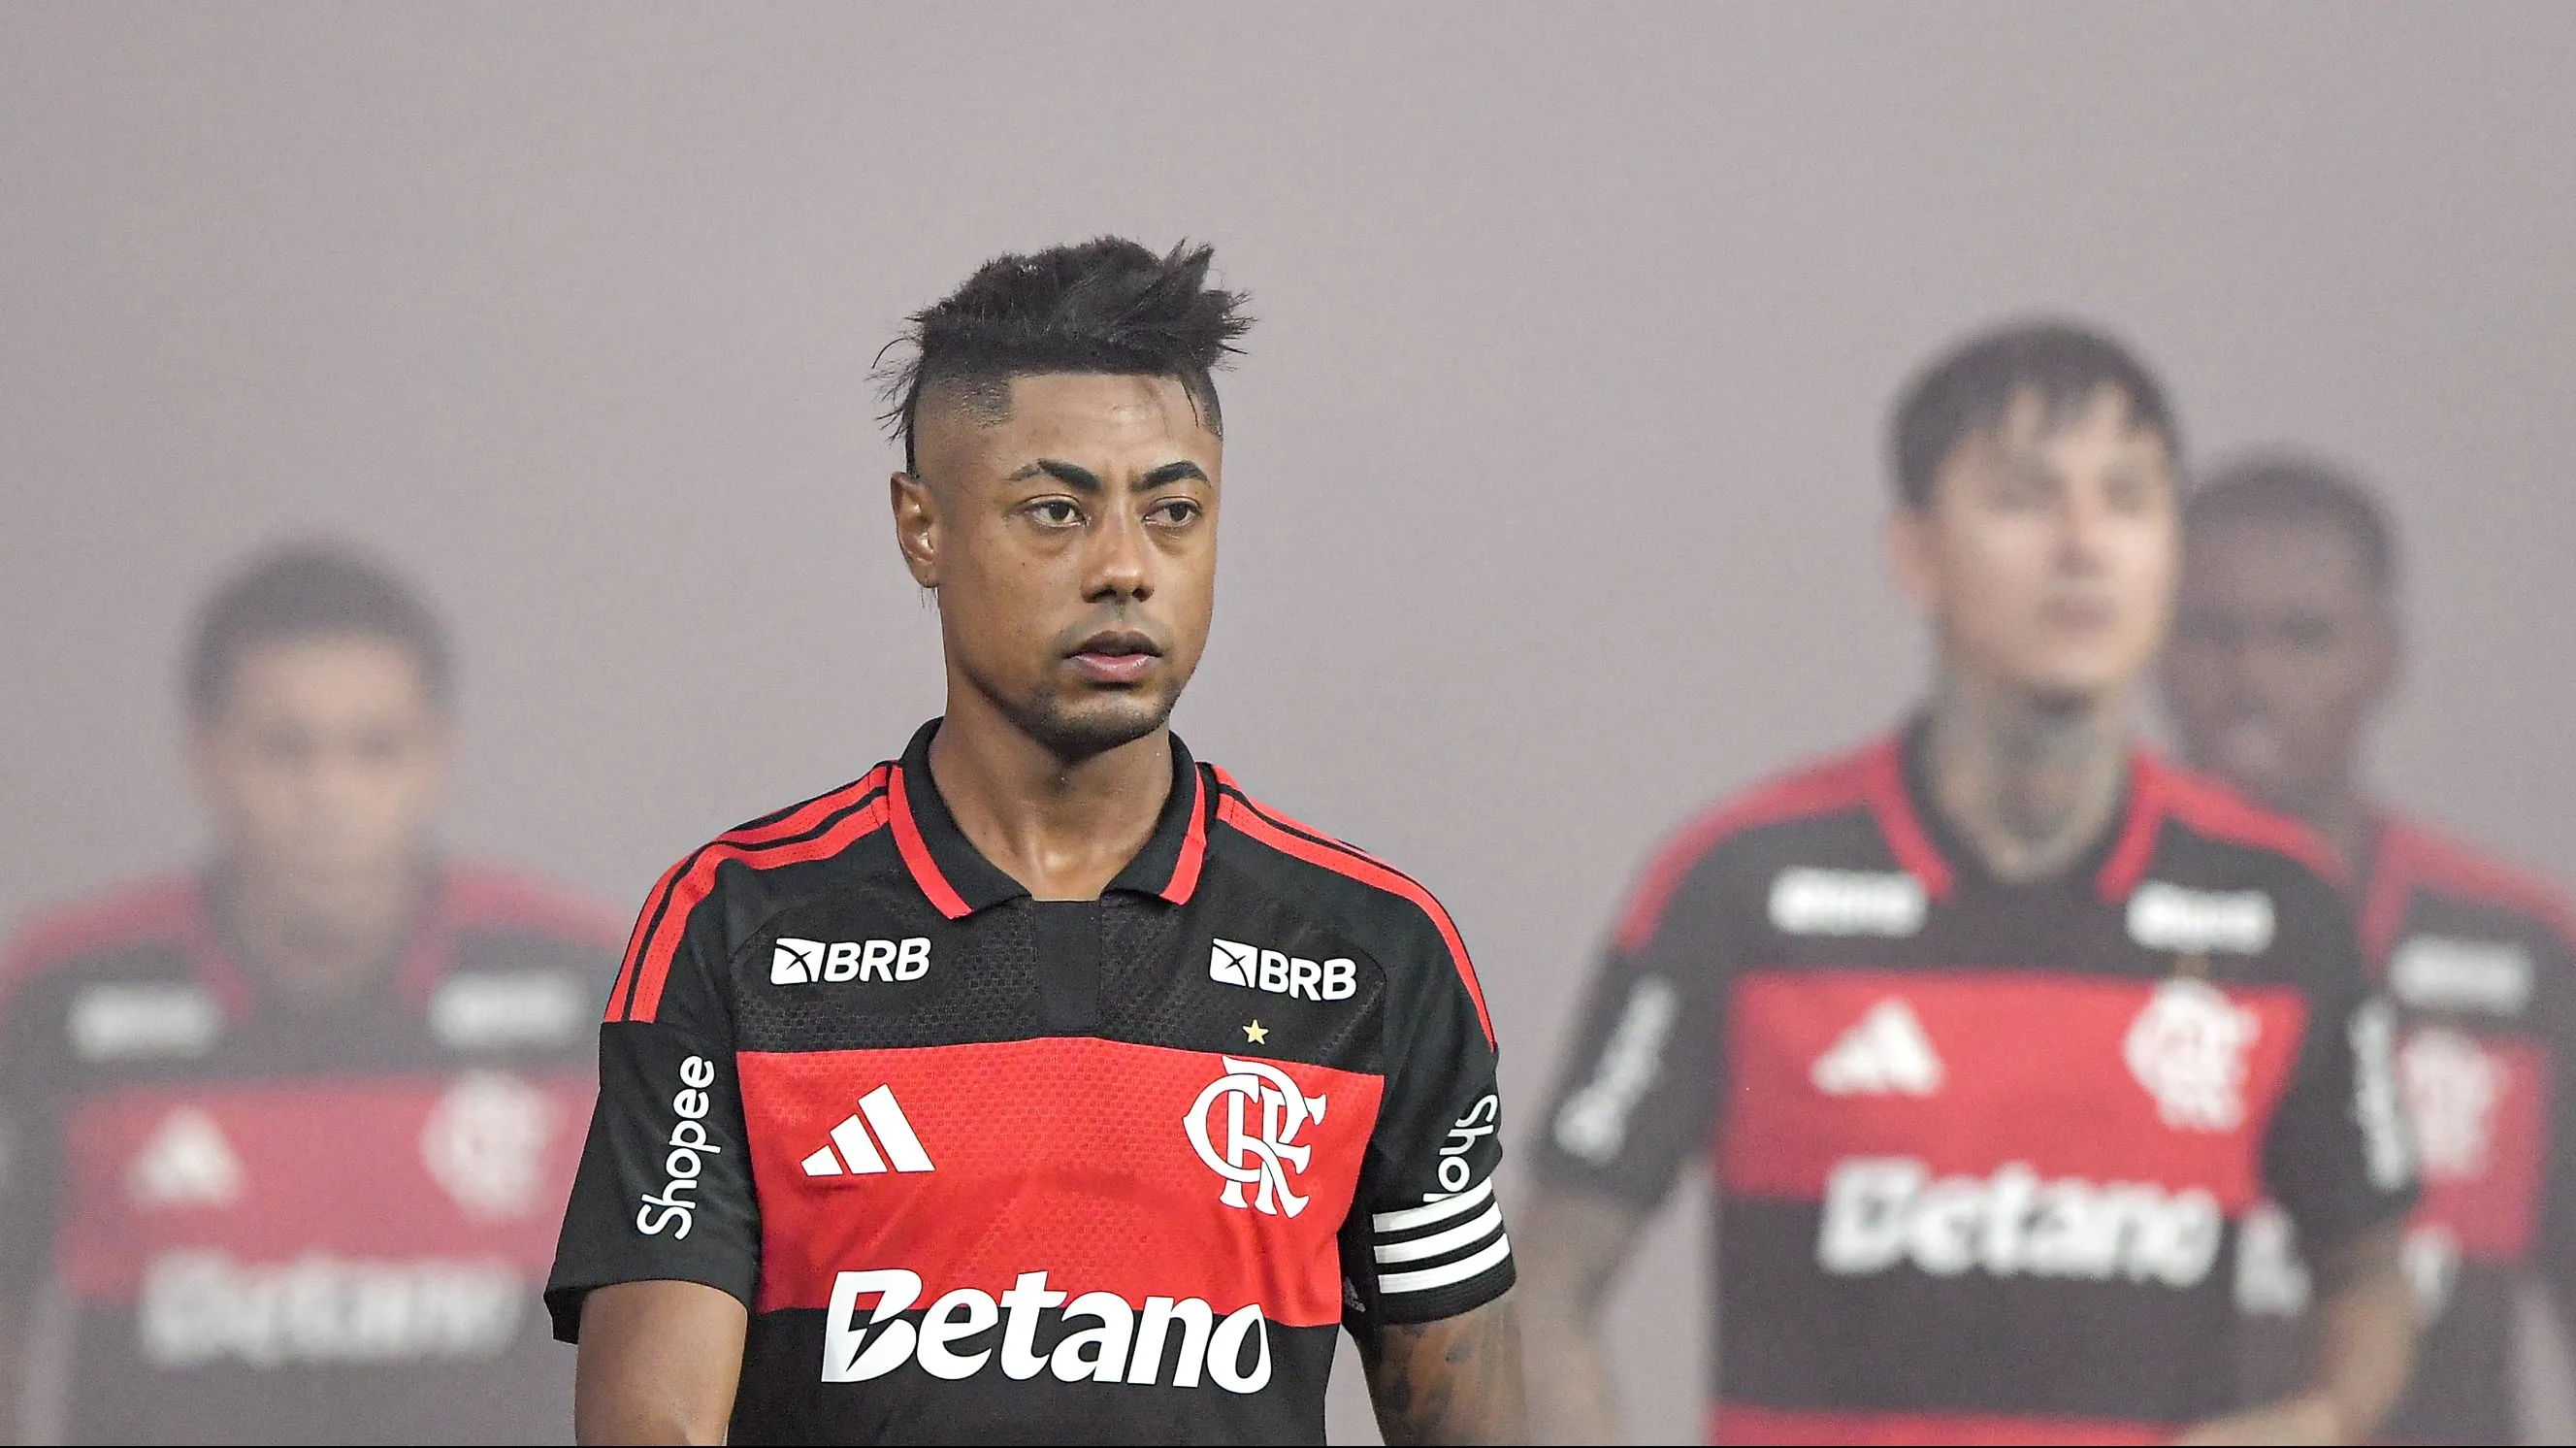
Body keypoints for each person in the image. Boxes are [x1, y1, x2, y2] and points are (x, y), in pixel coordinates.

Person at [545, 238, 1524, 1446]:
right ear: (922, 529)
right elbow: (655, 1422)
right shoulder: (738, 925)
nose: (1124, 569)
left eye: (1174, 512)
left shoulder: (1379, 956)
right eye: (1054, 512)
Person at [1516, 322, 2420, 1444]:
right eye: (2025, 496)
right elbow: (1544, 1284)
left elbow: (2373, 1272)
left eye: (2129, 499)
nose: (2084, 543)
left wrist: (2324, 1416)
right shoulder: (1742, 884)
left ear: (2171, 555)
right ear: (1916, 554)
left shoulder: (2282, 907)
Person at [0, 544, 625, 1443]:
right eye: (286, 749)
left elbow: (682, 1301)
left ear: (436, 754)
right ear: (206, 753)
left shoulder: (584, 984)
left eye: (375, 749)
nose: (329, 792)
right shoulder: (62, 997)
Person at [2166, 454, 2576, 1443]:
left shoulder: (2523, 952)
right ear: (2154, 647)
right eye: (2216, 634)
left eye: (2305, 637)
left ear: (2382, 655)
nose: (2255, 679)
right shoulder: (2074, 941)